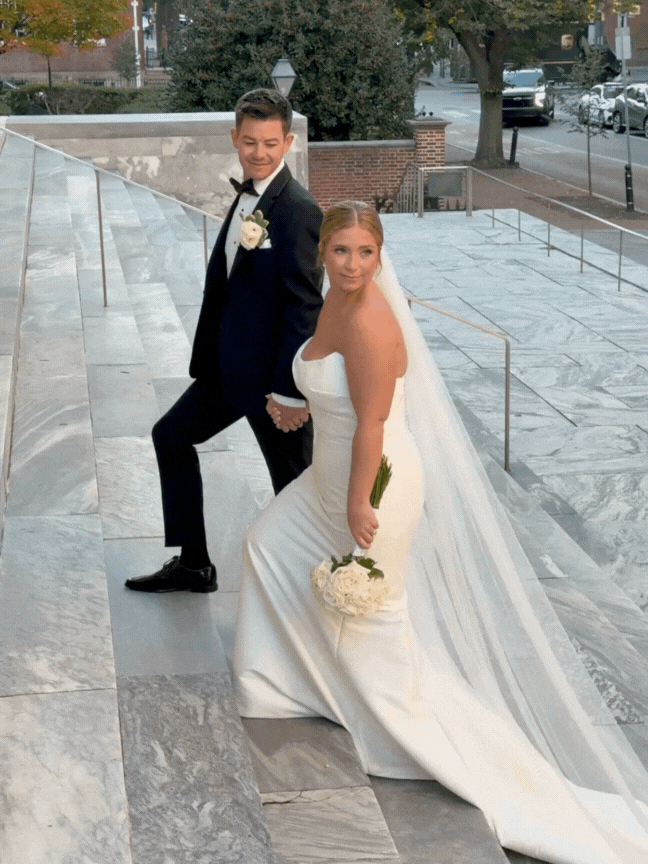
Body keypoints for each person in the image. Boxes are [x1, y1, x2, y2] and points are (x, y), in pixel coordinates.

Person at [234, 201, 648, 863]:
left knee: (372, 627)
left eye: (365, 253)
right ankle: (287, 680)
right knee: (266, 545)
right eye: (341, 251)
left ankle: (422, 739)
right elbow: (328, 380)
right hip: (324, 481)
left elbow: (371, 424)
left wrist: (359, 506)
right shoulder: (334, 299)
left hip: (371, 487)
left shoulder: (370, 319)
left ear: (379, 256)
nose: (352, 264)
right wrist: (296, 401)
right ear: (325, 253)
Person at [125, 89, 323, 594]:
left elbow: (304, 307)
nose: (259, 153)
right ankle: (193, 563)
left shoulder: (297, 210)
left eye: (270, 143)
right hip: (227, 370)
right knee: (170, 436)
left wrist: (290, 391)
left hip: (271, 385)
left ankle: (316, 585)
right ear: (235, 138)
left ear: (289, 141)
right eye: (250, 142)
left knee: (296, 486)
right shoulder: (247, 194)